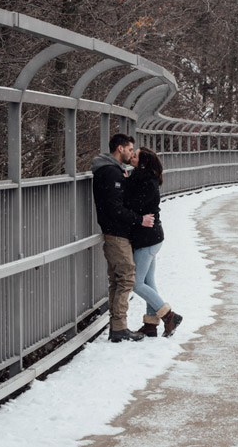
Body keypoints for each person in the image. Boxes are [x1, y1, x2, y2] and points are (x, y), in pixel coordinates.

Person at [91, 133, 154, 343]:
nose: (130, 154)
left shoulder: (113, 171)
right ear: (120, 148)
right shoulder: (111, 172)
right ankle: (119, 328)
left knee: (117, 281)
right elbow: (114, 207)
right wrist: (139, 220)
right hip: (116, 234)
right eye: (129, 150)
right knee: (126, 278)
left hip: (115, 233)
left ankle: (117, 327)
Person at [124, 146, 183, 337]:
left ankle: (169, 315)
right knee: (148, 282)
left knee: (136, 283)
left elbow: (132, 204)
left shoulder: (147, 183)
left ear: (142, 162)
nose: (131, 156)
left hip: (148, 239)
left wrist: (123, 185)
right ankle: (150, 325)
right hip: (149, 238)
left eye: (135, 155)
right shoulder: (141, 178)